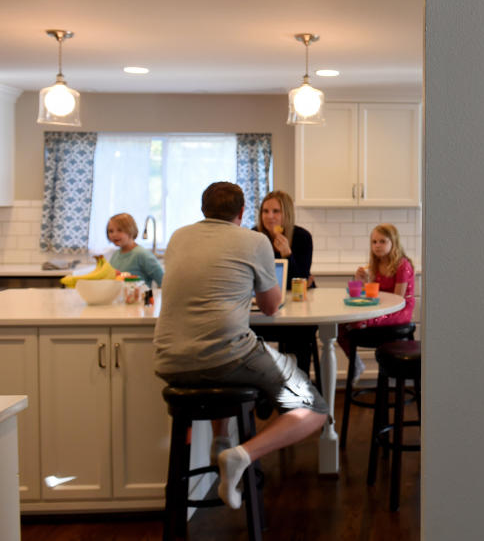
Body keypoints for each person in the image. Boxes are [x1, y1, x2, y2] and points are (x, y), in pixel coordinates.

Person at [153, 182, 328, 510]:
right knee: (315, 409)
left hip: (169, 361)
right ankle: (242, 454)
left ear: (203, 209)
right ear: (244, 212)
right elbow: (271, 306)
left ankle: (221, 442)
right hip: (227, 356)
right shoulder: (254, 240)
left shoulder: (178, 237)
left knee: (221, 358)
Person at [337, 223, 416, 378]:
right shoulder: (377, 264)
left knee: (358, 323)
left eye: (382, 241)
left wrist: (370, 312)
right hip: (382, 307)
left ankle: (377, 370)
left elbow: (398, 300)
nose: (377, 246)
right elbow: (372, 295)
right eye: (374, 242)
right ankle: (356, 363)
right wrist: (360, 281)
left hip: (400, 310)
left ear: (393, 242)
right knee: (340, 326)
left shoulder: (402, 265)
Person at [255, 190, 313, 289]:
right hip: (265, 294)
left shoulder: (302, 237)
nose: (270, 216)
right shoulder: (255, 235)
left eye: (276, 211)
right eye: (265, 211)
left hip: (297, 295)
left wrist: (287, 255)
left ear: (287, 214)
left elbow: (300, 281)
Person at [106, 213, 164, 287]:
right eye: (111, 231)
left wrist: (149, 297)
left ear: (130, 230)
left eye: (119, 230)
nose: (114, 234)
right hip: (122, 297)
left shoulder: (142, 254)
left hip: (142, 297)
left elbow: (163, 281)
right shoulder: (115, 255)